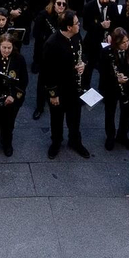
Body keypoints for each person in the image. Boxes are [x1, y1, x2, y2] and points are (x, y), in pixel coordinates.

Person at [41, 10, 90, 160]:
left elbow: (82, 53)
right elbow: (47, 72)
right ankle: (56, 142)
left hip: (74, 88)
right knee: (57, 119)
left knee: (75, 118)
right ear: (69, 27)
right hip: (60, 90)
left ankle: (75, 141)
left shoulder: (76, 36)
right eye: (76, 23)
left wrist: (83, 64)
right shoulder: (52, 43)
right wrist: (53, 94)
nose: (79, 25)